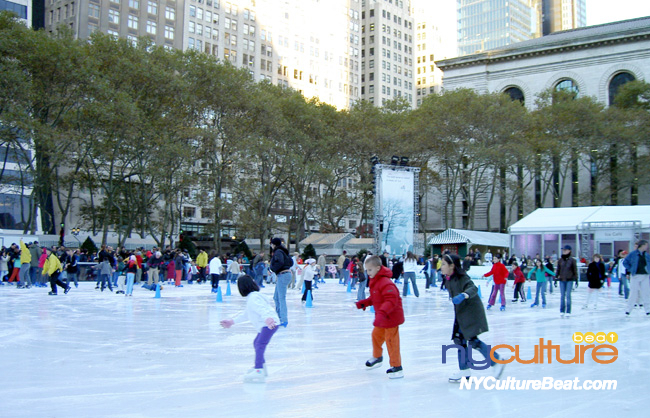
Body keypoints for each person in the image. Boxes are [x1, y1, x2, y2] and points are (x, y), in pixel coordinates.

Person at [442, 254, 505, 382]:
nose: (441, 267)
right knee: (459, 340)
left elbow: (473, 288)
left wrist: (464, 295)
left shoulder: (462, 277)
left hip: (471, 312)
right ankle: (464, 370)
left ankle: (496, 361)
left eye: (443, 264)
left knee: (472, 340)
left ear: (452, 266)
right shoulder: (448, 279)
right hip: (461, 312)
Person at [220, 275, 279, 383]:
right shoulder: (253, 297)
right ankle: (261, 366)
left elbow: (261, 308)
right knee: (257, 343)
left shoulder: (253, 298)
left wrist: (267, 318)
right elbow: (246, 314)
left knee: (260, 344)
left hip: (269, 324)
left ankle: (259, 370)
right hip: (267, 324)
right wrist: (232, 321)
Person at [355, 255, 405, 379]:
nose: (368, 273)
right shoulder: (375, 280)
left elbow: (391, 300)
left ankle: (397, 367)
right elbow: (376, 298)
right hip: (382, 317)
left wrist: (381, 313)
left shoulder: (385, 282)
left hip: (391, 318)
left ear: (378, 268)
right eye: (366, 270)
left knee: (391, 342)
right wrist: (365, 302)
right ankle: (377, 357)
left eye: (370, 270)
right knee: (376, 336)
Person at [622, 240, 650, 316]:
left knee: (646, 293)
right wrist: (631, 269)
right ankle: (628, 309)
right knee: (633, 293)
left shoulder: (647, 255)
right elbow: (625, 262)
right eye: (646, 245)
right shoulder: (633, 254)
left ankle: (648, 310)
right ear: (642, 245)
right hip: (635, 276)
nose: (647, 247)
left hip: (645, 275)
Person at [270, 238, 293, 327]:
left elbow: (280, 262)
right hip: (284, 274)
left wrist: (273, 268)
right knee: (276, 297)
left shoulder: (278, 252)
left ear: (274, 244)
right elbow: (290, 262)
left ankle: (283, 319)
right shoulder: (284, 251)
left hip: (283, 274)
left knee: (281, 298)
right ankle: (279, 317)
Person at [557, 245, 578, 317]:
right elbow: (558, 269)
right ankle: (562, 310)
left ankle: (568, 311)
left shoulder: (572, 260)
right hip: (562, 280)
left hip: (569, 279)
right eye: (563, 250)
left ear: (569, 251)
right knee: (562, 295)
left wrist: (576, 280)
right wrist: (556, 278)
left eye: (565, 250)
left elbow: (575, 270)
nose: (564, 251)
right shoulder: (560, 260)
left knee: (568, 295)